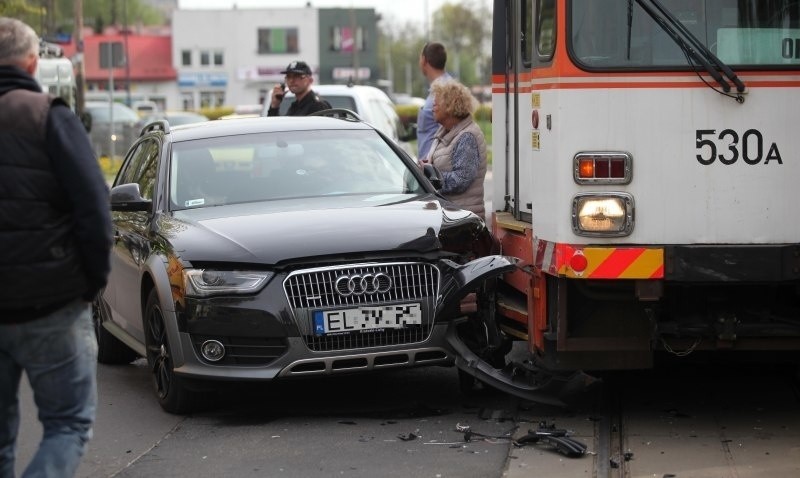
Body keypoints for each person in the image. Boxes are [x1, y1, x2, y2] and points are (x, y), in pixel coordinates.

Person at [0, 17, 112, 478]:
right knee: (67, 423)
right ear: (31, 62)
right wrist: (91, 283)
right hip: (50, 302)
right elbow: (93, 208)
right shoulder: (48, 115)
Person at [424, 79, 488, 220]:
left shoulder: (467, 137)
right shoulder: (444, 132)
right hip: (452, 216)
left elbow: (461, 179)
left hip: (464, 220)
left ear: (450, 106)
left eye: (436, 104)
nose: (432, 108)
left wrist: (430, 174)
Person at [416, 42, 452, 160]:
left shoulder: (444, 91)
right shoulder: (445, 86)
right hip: (430, 168)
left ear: (424, 60)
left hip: (435, 170)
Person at [266, 61, 331, 116]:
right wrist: (275, 106)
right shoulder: (295, 106)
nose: (291, 80)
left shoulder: (318, 105)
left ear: (310, 80)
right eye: (288, 76)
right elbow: (277, 129)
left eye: (297, 76)